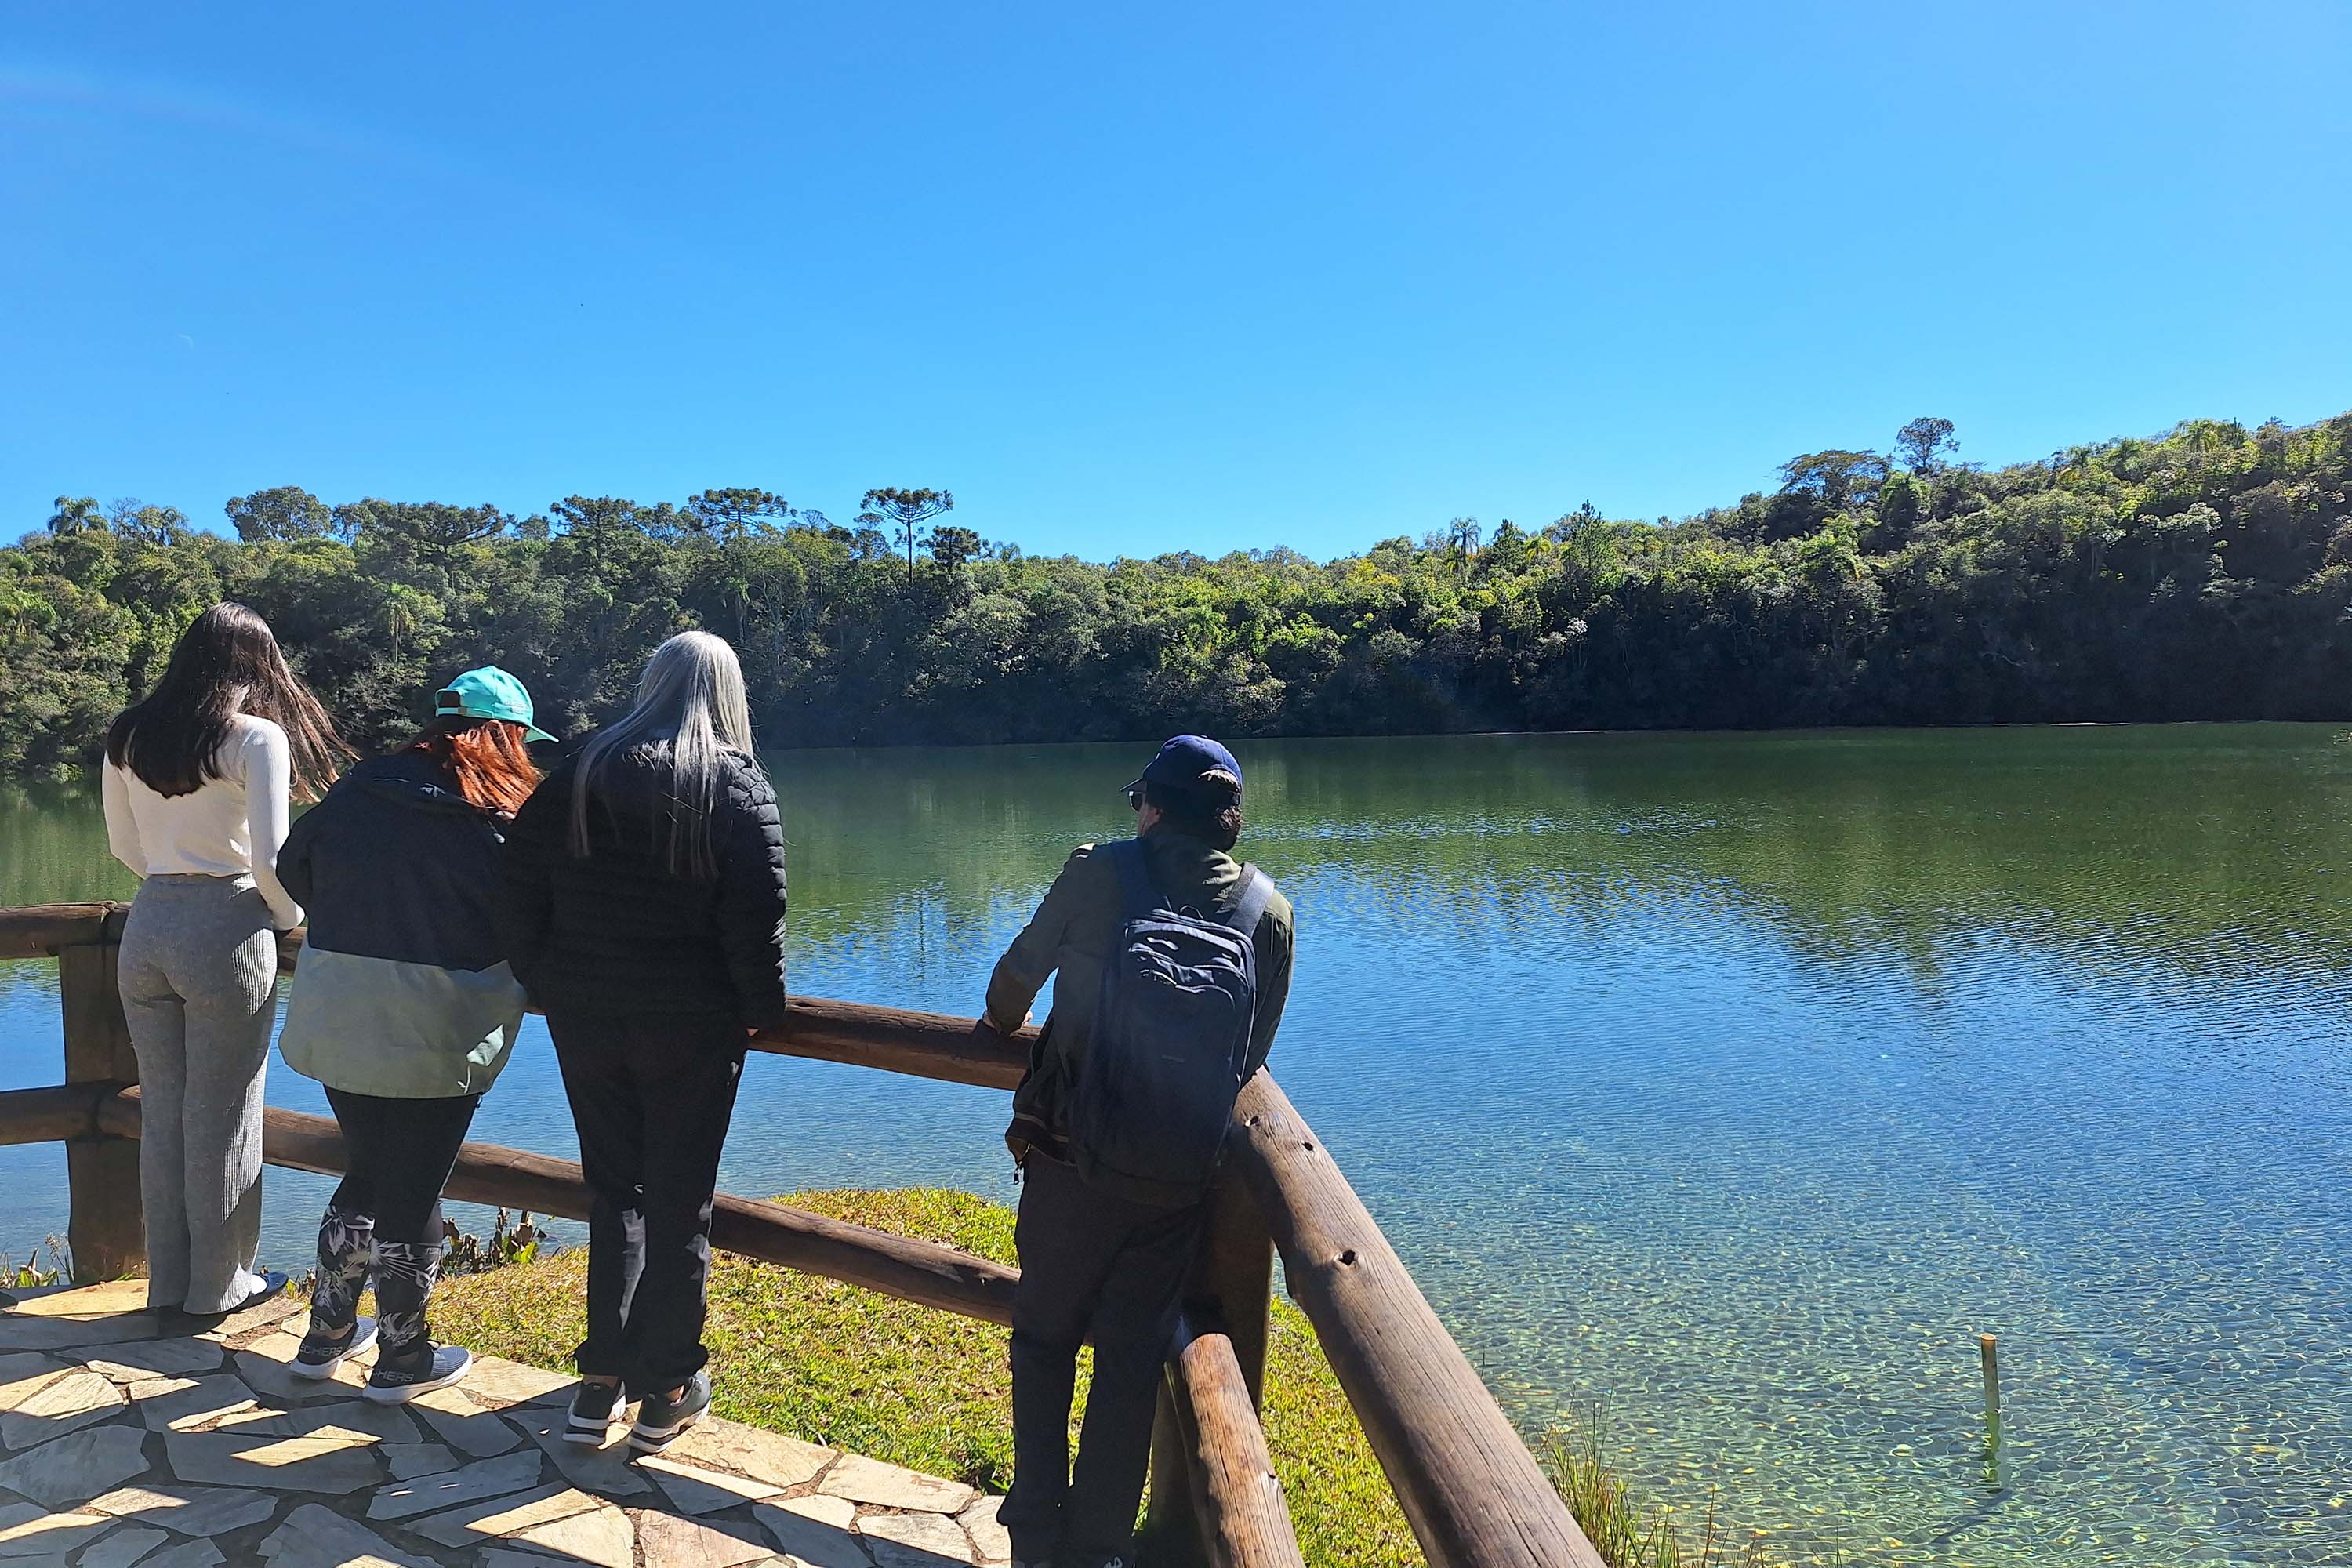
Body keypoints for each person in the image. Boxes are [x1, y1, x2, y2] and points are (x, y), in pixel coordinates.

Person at [983, 735, 1294, 1568]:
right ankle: (1097, 1547)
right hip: (1174, 1175)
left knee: (1045, 1337)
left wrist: (1011, 1017)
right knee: (1129, 1359)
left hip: (1065, 1158)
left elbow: (1010, 991)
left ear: (1152, 807)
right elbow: (1249, 1053)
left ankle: (1036, 1534)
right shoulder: (1269, 910)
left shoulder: (1097, 870)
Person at [500, 631, 787, 1455]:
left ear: (649, 681)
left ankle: (599, 1382)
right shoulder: (735, 781)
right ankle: (665, 1384)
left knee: (614, 1190)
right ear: (729, 692)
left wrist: (546, 978)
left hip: (587, 1017)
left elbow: (516, 888)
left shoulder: (581, 769)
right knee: (679, 1202)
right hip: (692, 1025)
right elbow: (756, 917)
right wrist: (760, 1008)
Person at [274, 667, 554, 1402]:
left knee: (368, 1169)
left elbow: (291, 866)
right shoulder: (499, 815)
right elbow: (530, 921)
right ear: (505, 734)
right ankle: (402, 1359)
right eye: (522, 738)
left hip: (339, 1010)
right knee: (412, 1183)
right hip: (439, 1026)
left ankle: (324, 1336)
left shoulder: (360, 787)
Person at [100, 602, 350, 1319]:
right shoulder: (255, 737)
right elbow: (271, 861)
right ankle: (222, 1288)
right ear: (257, 664)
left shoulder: (130, 733)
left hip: (150, 924)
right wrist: (289, 918)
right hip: (228, 927)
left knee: (165, 1113)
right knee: (226, 1114)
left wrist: (171, 884)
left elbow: (125, 848)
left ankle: (169, 1285)